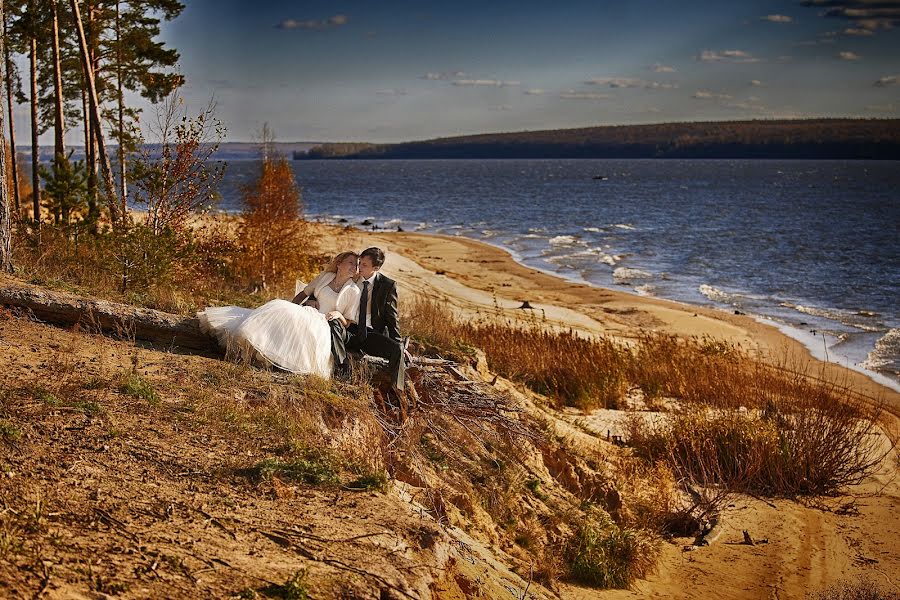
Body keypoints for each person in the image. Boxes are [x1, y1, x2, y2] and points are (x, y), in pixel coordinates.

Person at [198, 252, 361, 378]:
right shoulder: (327, 277)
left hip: (324, 322)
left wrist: (338, 314)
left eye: (357, 265)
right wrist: (292, 307)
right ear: (339, 264)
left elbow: (348, 322)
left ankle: (275, 360)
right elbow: (304, 293)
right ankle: (254, 348)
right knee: (280, 307)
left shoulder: (353, 290)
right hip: (307, 312)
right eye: (351, 263)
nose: (354, 267)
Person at [339, 247, 407, 392]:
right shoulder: (351, 277)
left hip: (370, 333)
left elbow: (392, 317)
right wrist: (312, 299)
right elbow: (327, 287)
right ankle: (340, 379)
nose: (359, 267)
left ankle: (397, 390)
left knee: (397, 349)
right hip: (348, 329)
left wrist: (398, 342)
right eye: (359, 262)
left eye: (364, 265)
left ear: (375, 268)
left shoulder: (387, 285)